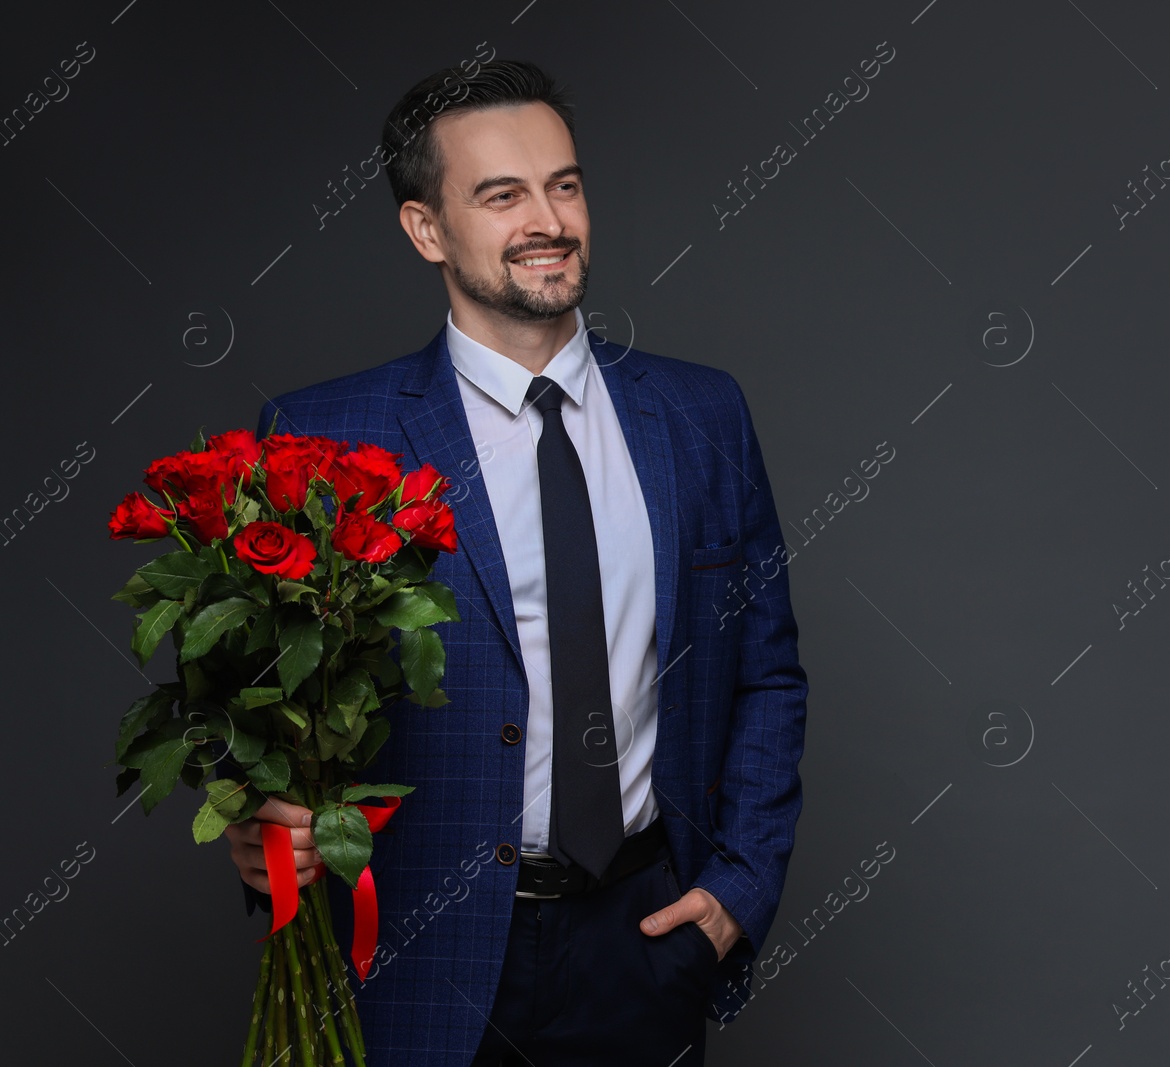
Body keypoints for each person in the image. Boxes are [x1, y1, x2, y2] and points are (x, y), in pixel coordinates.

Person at [220, 59, 808, 1066]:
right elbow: (262, 694)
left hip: (645, 941)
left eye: (564, 184)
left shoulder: (702, 414)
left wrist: (736, 892)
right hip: (421, 949)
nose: (548, 219)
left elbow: (766, 670)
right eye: (502, 195)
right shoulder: (322, 434)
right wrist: (256, 814)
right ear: (427, 229)